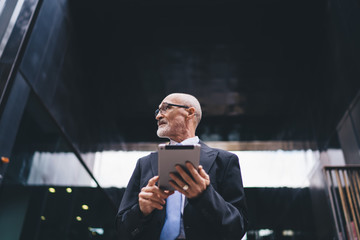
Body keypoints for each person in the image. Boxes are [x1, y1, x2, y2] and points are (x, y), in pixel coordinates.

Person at [116, 93, 248, 240]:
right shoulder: (144, 163)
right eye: (158, 111)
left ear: (190, 112)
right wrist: (141, 211)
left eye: (166, 108)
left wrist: (204, 196)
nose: (158, 116)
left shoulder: (225, 161)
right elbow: (122, 231)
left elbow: (238, 228)